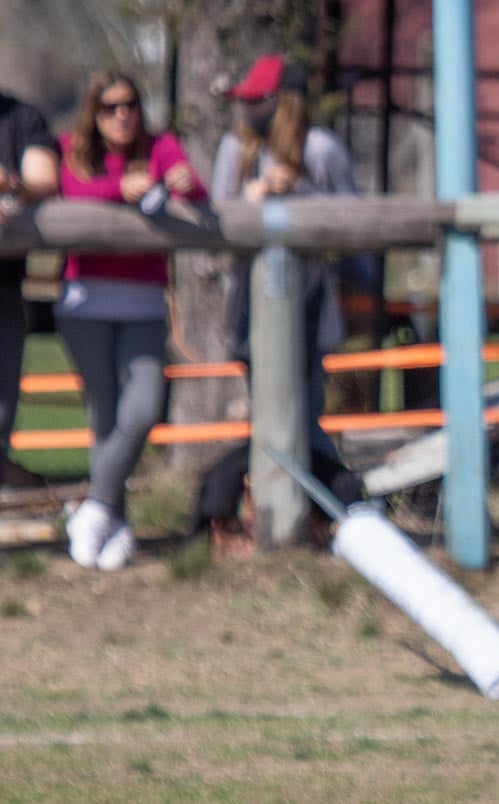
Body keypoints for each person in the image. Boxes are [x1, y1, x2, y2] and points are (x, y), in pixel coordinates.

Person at [56, 71, 207, 570]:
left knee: (142, 410)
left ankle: (94, 509)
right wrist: (119, 187)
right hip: (86, 302)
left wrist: (187, 183)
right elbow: (72, 192)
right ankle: (117, 526)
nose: (123, 114)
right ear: (94, 114)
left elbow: (196, 192)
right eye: (111, 106)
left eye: (131, 104)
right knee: (105, 417)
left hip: (144, 303)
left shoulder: (161, 147)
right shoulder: (72, 150)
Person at [209, 55, 361, 507]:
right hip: (251, 303)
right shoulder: (236, 150)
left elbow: (358, 221)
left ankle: (326, 504)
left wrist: (302, 196)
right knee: (271, 409)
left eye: (259, 100)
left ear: (284, 102)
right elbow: (217, 219)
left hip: (310, 299)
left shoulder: (321, 148)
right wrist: (252, 199)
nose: (249, 110)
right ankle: (315, 503)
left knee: (306, 409)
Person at [0, 88, 59, 486]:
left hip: (4, 282)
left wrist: (11, 185)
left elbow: (44, 179)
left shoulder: (20, 117)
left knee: (1, 405)